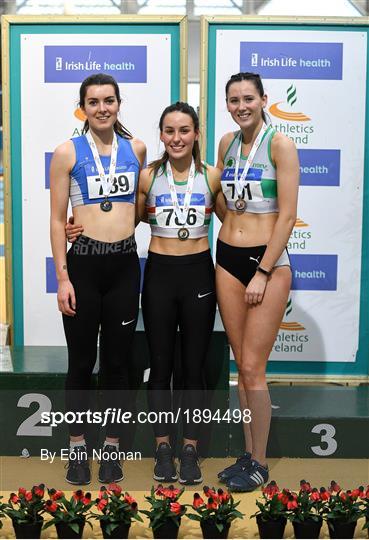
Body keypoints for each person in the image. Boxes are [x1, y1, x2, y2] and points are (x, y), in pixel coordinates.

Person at [50, 73, 146, 485]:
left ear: (119, 104)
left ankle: (111, 448)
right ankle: (76, 450)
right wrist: (63, 278)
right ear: (83, 108)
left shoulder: (137, 148)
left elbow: (139, 207)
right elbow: (56, 220)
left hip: (124, 266)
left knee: (117, 366)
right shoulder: (66, 151)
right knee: (80, 364)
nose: (102, 108)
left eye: (109, 101)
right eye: (94, 102)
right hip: (84, 268)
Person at [215, 72, 299, 492]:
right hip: (227, 259)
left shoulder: (280, 144)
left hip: (266, 263)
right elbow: (222, 200)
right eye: (233, 99)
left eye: (248, 98)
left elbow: (287, 214)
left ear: (264, 99)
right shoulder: (226, 143)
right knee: (239, 367)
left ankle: (261, 463)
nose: (241, 105)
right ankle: (247, 455)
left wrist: (264, 270)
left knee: (253, 368)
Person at [137, 102, 222, 485]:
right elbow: (124, 218)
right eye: (169, 130)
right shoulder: (148, 175)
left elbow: (239, 221)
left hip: (199, 276)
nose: (177, 138)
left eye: (184, 130)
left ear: (196, 134)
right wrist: (78, 227)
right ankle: (162, 448)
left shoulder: (212, 176)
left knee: (193, 369)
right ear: (160, 134)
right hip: (159, 276)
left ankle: (189, 448)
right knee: (160, 368)